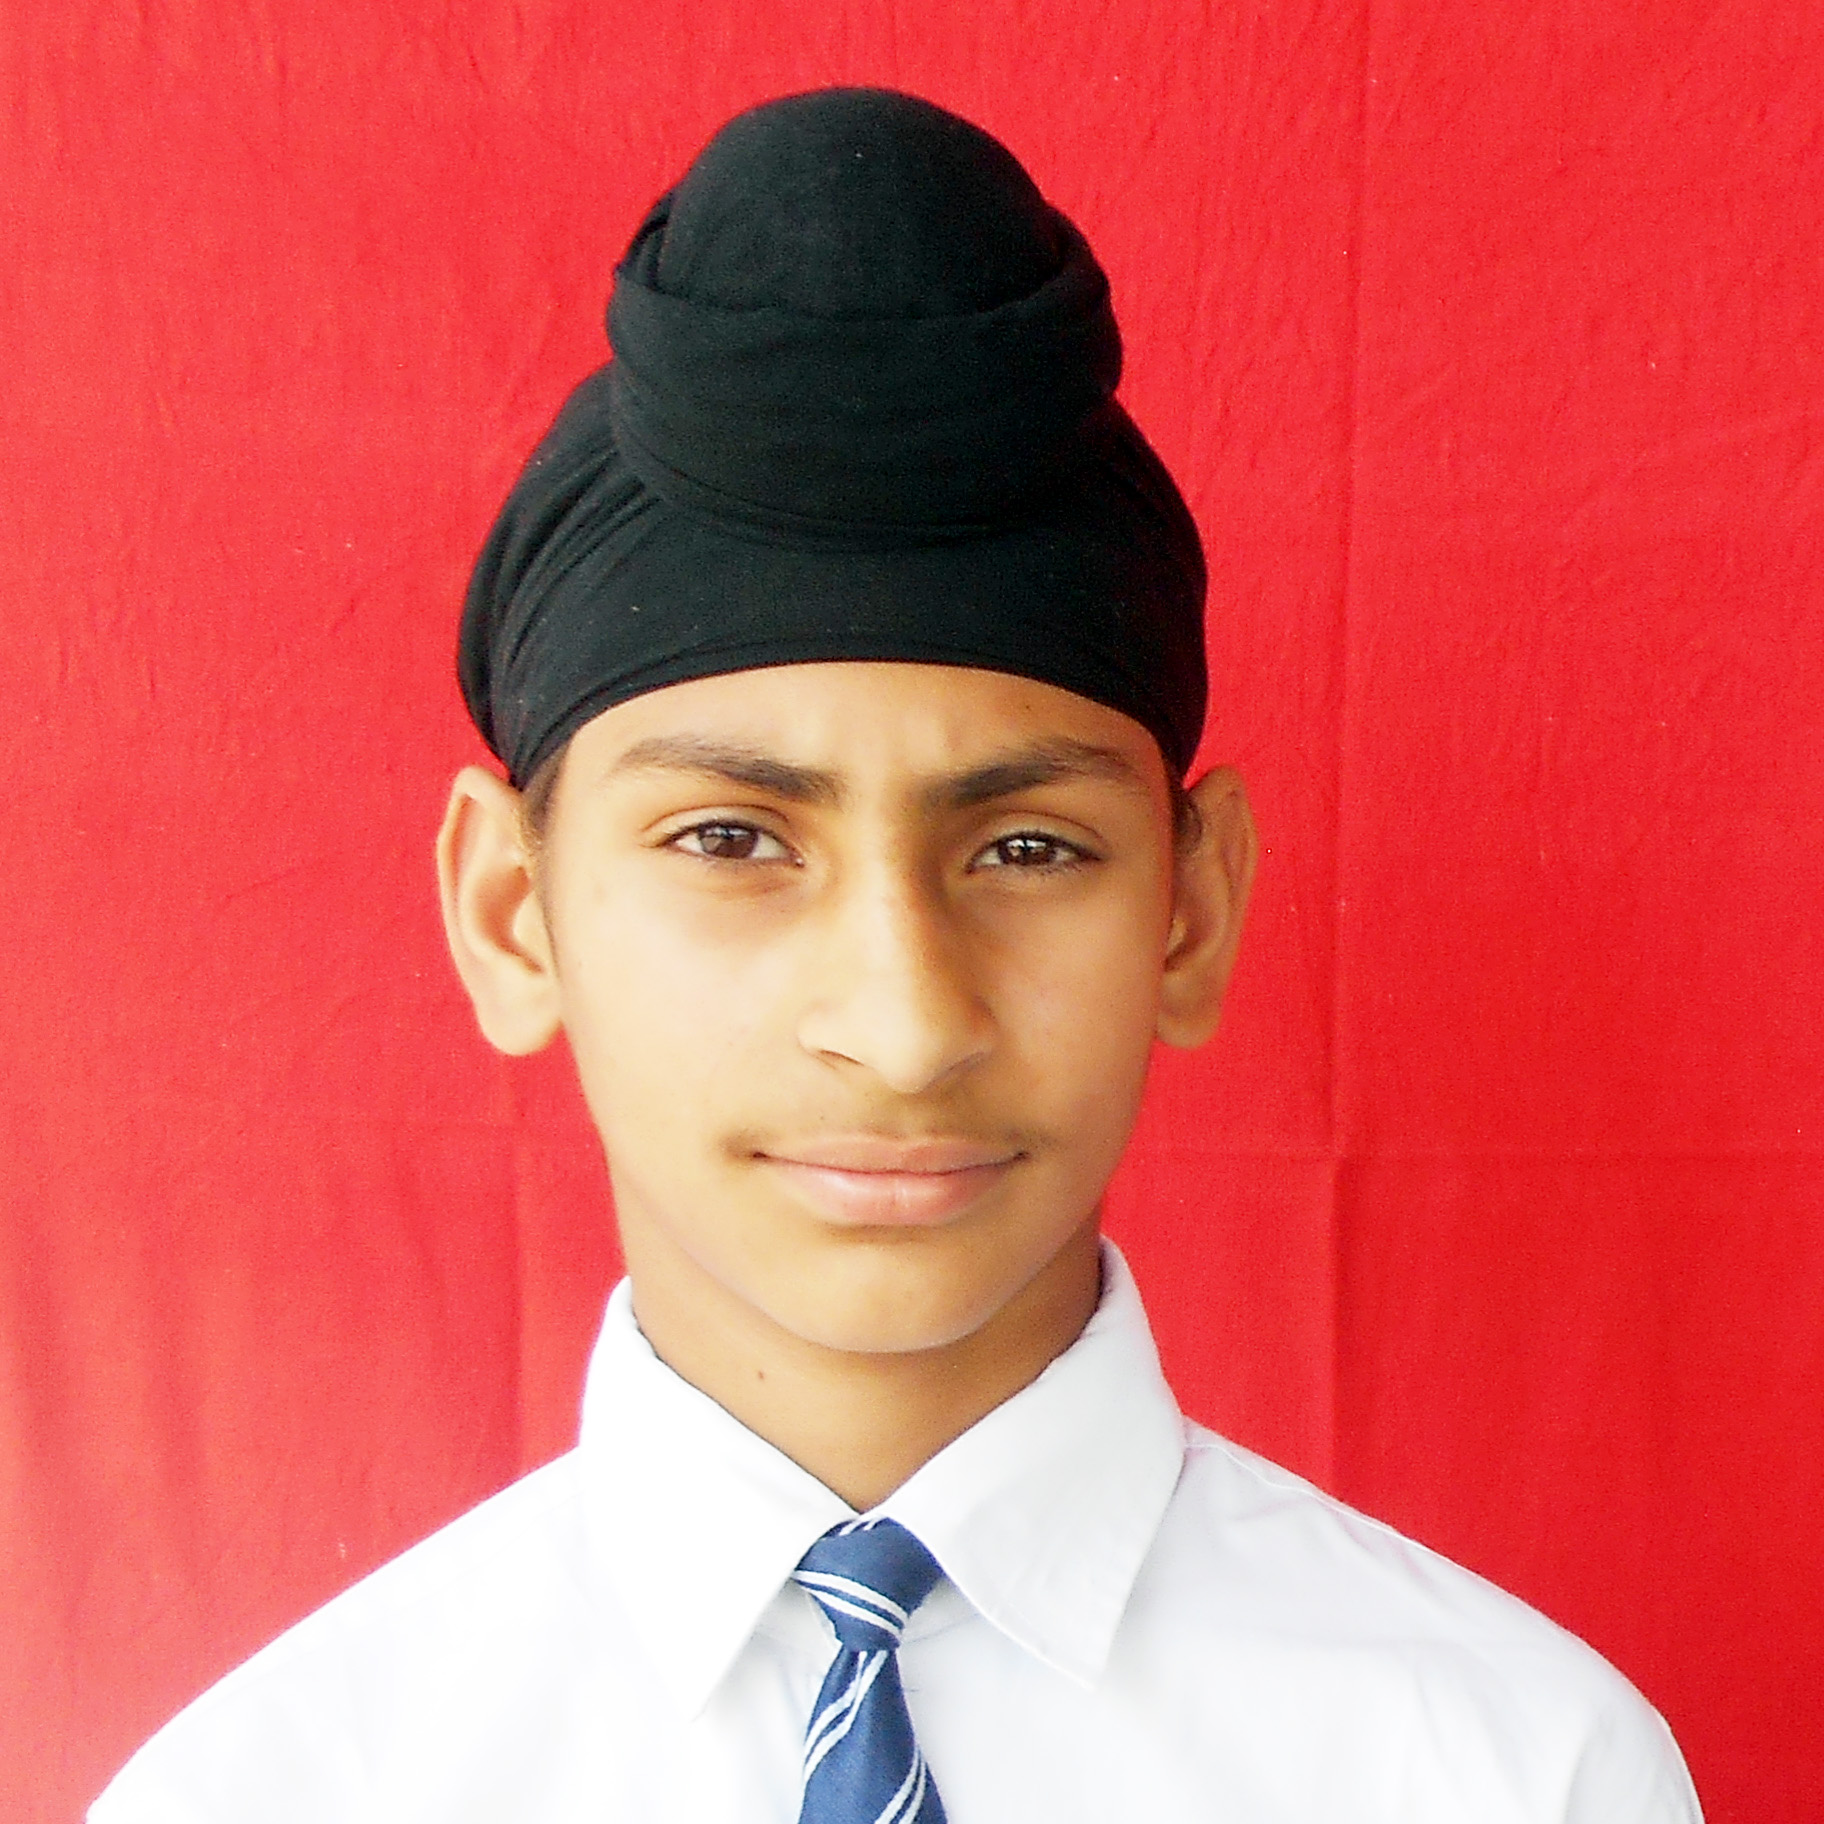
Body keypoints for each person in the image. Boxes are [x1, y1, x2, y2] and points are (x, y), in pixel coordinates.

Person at [91, 87, 1702, 1823]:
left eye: (1027, 849)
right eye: (731, 841)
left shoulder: (1516, 1773)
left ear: (1192, 909)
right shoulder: (266, 1791)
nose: (906, 1023)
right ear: (509, 912)